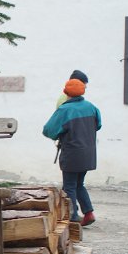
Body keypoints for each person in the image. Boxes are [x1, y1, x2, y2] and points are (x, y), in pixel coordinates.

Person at [43, 73, 102, 226]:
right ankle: (88, 213)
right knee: (79, 184)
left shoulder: (65, 110)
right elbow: (98, 125)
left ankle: (72, 217)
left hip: (72, 153)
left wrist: (61, 133)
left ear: (66, 92)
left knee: (69, 186)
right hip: (88, 153)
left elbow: (48, 130)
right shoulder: (91, 107)